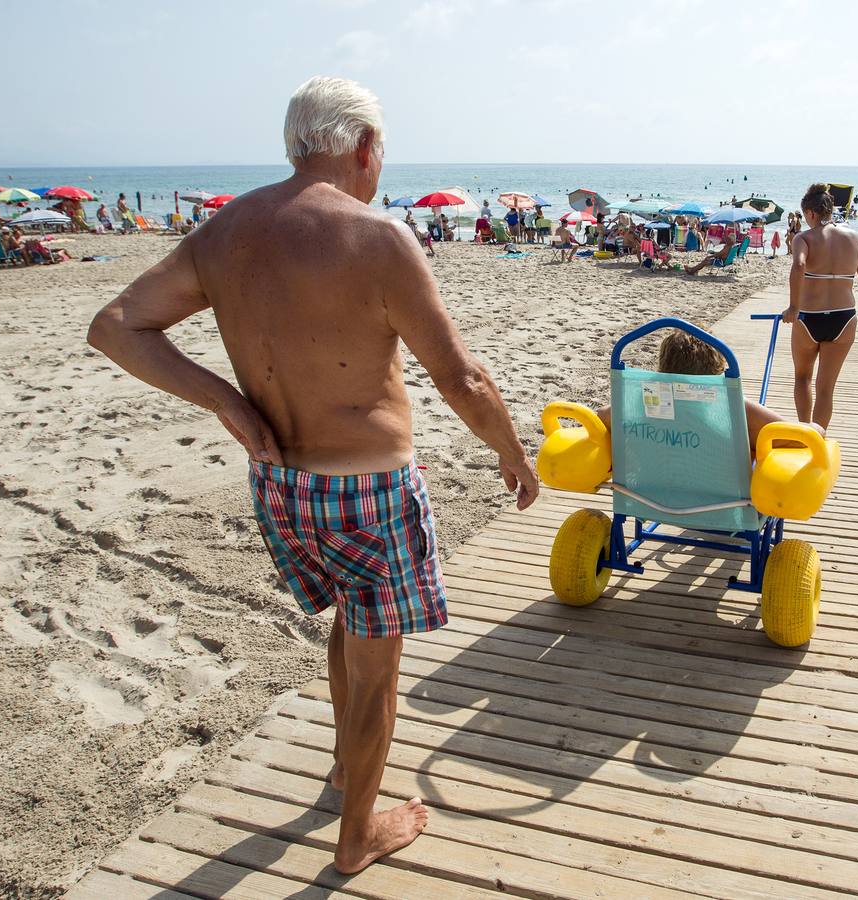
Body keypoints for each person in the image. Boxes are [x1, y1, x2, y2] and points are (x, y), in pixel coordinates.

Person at [86, 76, 537, 875]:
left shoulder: (226, 232)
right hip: (367, 490)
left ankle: (342, 770)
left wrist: (223, 398)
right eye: (380, 154)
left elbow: (117, 327)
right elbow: (460, 377)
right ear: (363, 147)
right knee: (377, 668)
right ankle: (357, 835)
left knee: (349, 623)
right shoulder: (375, 236)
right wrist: (510, 451)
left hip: (282, 487)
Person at [595, 330, 823, 452]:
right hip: (726, 508)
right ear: (716, 369)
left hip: (652, 502)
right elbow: (800, 437)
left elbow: (601, 416)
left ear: (663, 367)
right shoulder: (734, 408)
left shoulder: (642, 404)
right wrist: (816, 427)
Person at [781, 183, 858, 431]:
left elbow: (799, 266)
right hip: (843, 318)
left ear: (811, 213)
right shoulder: (854, 238)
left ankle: (805, 434)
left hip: (809, 317)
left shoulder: (804, 238)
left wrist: (792, 307)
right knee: (826, 388)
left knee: (803, 378)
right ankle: (818, 438)